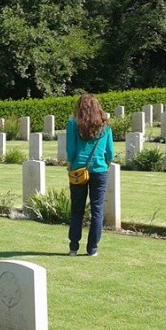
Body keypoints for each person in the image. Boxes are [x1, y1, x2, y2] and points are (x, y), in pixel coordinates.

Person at [66, 94, 114, 257]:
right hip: (100, 171)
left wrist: (70, 164)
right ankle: (92, 248)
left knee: (77, 210)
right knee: (97, 210)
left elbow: (71, 149)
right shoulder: (105, 126)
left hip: (79, 170)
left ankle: (73, 247)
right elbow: (110, 152)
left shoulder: (73, 124)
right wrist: (105, 162)